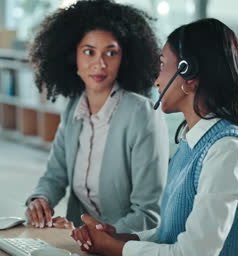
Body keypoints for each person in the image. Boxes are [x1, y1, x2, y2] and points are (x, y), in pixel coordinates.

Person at [71, 18, 238, 256]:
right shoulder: (192, 142)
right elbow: (170, 234)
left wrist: (112, 249)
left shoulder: (227, 149)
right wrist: (121, 238)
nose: (156, 79)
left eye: (162, 65)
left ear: (189, 73)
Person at [25, 0, 169, 235]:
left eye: (111, 53)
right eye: (89, 52)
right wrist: (40, 200)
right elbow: (55, 175)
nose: (99, 64)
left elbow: (148, 214)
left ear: (124, 58)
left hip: (125, 249)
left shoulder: (142, 114)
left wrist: (97, 236)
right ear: (74, 57)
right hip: (80, 245)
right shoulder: (74, 108)